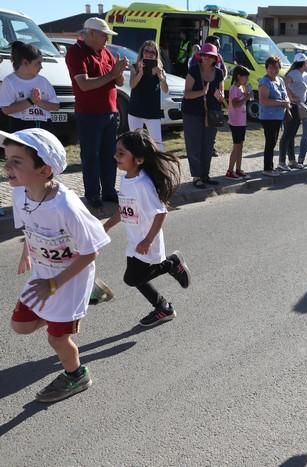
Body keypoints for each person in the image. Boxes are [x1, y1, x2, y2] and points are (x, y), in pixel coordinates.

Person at [3, 128, 111, 402]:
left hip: (69, 282)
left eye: (17, 161)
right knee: (21, 325)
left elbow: (91, 252)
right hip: (43, 275)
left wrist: (53, 284)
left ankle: (77, 375)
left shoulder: (67, 207)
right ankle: (83, 303)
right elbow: (31, 227)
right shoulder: (20, 193)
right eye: (7, 158)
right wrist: (27, 252)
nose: (7, 166)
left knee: (57, 340)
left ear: (45, 170)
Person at [103, 130, 191, 326]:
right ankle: (163, 308)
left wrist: (148, 240)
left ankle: (171, 264)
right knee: (136, 278)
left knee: (132, 278)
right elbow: (125, 207)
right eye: (116, 152)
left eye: (121, 153)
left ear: (139, 159)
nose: (115, 156)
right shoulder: (127, 179)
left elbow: (161, 213)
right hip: (136, 240)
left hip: (146, 241)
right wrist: (107, 225)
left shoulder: (143, 184)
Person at [66, 17, 128, 209]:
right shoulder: (76, 53)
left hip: (110, 111)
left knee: (110, 154)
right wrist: (112, 74)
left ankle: (109, 190)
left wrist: (118, 72)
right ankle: (93, 193)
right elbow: (84, 85)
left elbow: (119, 83)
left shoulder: (106, 53)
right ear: (91, 34)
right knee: (91, 155)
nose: (107, 39)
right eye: (104, 35)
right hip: (89, 113)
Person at [181, 43, 225, 189]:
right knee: (194, 145)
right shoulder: (193, 70)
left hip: (212, 114)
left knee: (208, 144)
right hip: (192, 113)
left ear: (215, 59)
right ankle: (196, 176)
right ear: (201, 57)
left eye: (210, 56)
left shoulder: (219, 73)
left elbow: (222, 94)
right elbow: (186, 94)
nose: (207, 58)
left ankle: (205, 175)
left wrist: (220, 96)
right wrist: (202, 93)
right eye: (205, 55)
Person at [0, 41, 59, 131]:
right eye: (38, 63)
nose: (41, 67)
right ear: (25, 62)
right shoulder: (10, 82)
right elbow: (6, 109)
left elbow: (55, 107)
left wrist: (39, 102)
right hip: (20, 126)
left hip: (44, 126)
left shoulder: (43, 81)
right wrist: (30, 101)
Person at [128, 40, 169, 150]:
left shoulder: (160, 69)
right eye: (147, 51)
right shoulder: (135, 67)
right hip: (135, 110)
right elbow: (132, 85)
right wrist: (140, 72)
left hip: (152, 112)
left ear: (156, 55)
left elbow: (165, 90)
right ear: (142, 52)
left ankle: (160, 166)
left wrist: (160, 76)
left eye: (153, 52)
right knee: (136, 143)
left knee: (157, 143)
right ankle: (138, 166)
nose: (149, 54)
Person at [258, 56, 290, 177]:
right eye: (271, 67)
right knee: (270, 142)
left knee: (273, 141)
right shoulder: (264, 81)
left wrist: (286, 101)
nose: (274, 70)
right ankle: (267, 168)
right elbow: (264, 101)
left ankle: (270, 167)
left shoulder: (280, 80)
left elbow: (285, 94)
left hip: (278, 116)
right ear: (266, 68)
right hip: (268, 117)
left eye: (276, 67)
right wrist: (282, 103)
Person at [278, 53, 307, 171]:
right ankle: (281, 162)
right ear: (302, 63)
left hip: (297, 107)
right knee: (287, 134)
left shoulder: (299, 74)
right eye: (306, 62)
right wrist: (290, 97)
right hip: (293, 107)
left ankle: (291, 160)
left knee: (291, 135)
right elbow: (285, 84)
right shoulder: (294, 74)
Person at [225, 65, 252, 179]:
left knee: (240, 146)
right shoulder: (234, 88)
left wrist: (246, 94)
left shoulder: (241, 87)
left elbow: (245, 98)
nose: (247, 80)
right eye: (245, 77)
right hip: (235, 122)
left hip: (242, 121)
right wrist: (245, 97)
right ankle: (230, 171)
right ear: (238, 76)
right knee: (236, 146)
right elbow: (235, 104)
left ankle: (238, 169)